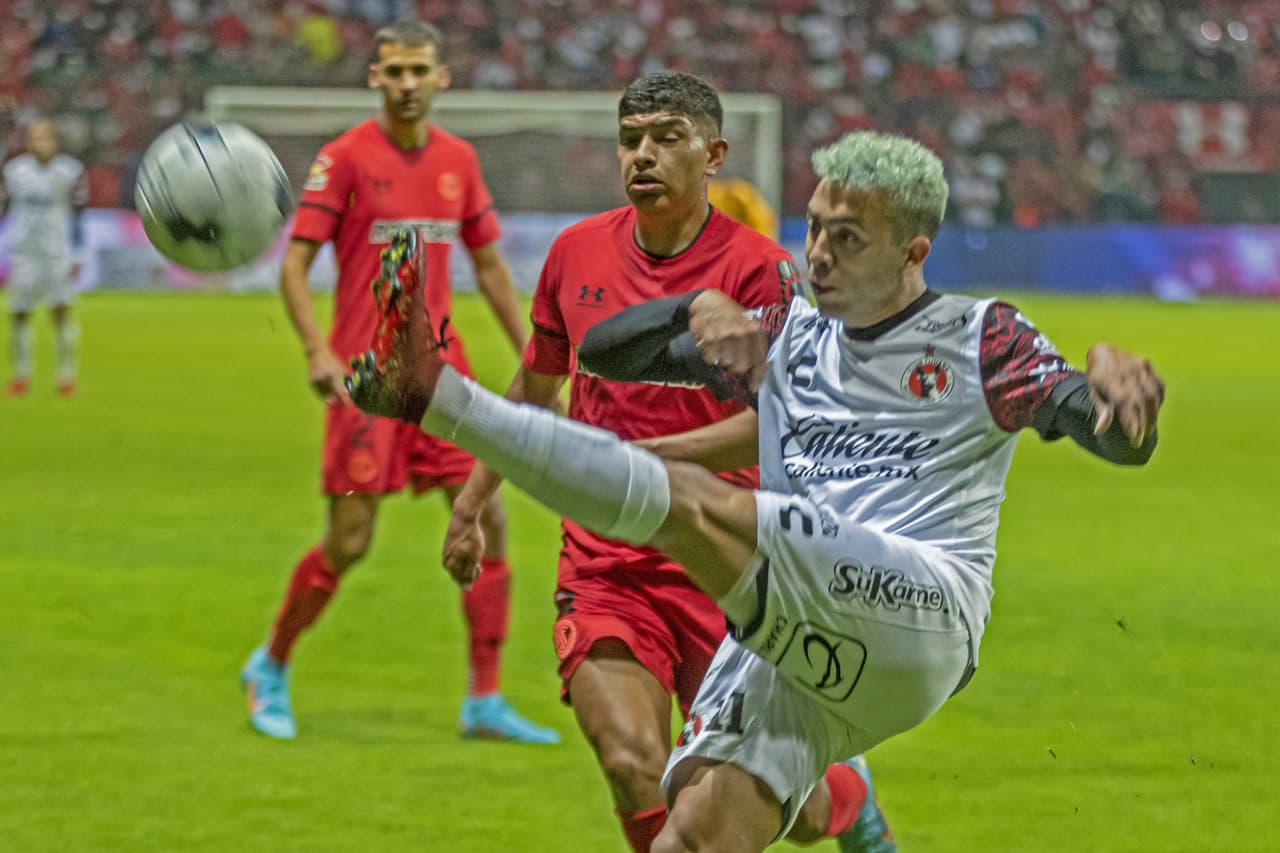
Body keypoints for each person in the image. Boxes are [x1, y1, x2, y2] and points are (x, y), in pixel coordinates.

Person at [344, 128, 1164, 851]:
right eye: (816, 230)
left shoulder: (979, 337)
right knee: (693, 835)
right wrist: (690, 309)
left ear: (913, 252)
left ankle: (437, 394)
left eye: (849, 239)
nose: (819, 256)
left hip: (920, 610)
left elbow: (1108, 431)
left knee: (694, 500)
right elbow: (601, 351)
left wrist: (1113, 391)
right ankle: (856, 811)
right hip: (808, 634)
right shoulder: (788, 338)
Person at [440, 72, 890, 852]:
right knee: (629, 760)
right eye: (631, 138)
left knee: (795, 815)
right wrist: (473, 501)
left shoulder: (759, 271)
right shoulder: (575, 253)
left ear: (713, 153)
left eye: (666, 137)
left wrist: (641, 461)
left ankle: (851, 800)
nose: (643, 154)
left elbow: (782, 424)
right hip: (606, 562)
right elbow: (536, 386)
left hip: (723, 559)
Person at [239, 19, 558, 745]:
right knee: (350, 541)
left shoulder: (459, 160)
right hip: (366, 382)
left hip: (443, 382)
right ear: (374, 80)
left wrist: (539, 356)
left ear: (442, 78)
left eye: (420, 70)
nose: (408, 84)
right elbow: (294, 265)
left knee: (489, 521)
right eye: (395, 72)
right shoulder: (345, 158)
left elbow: (488, 267)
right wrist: (317, 352)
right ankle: (272, 664)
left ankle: (484, 699)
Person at [1, 117, 88, 397]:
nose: (40, 143)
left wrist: (78, 254)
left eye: (45, 137)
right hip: (25, 253)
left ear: (55, 141)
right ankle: (21, 375)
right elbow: (4, 210)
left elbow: (78, 216)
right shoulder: (14, 171)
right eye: (34, 138)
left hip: (57, 254)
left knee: (61, 313)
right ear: (27, 142)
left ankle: (66, 375)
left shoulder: (71, 171)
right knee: (20, 314)